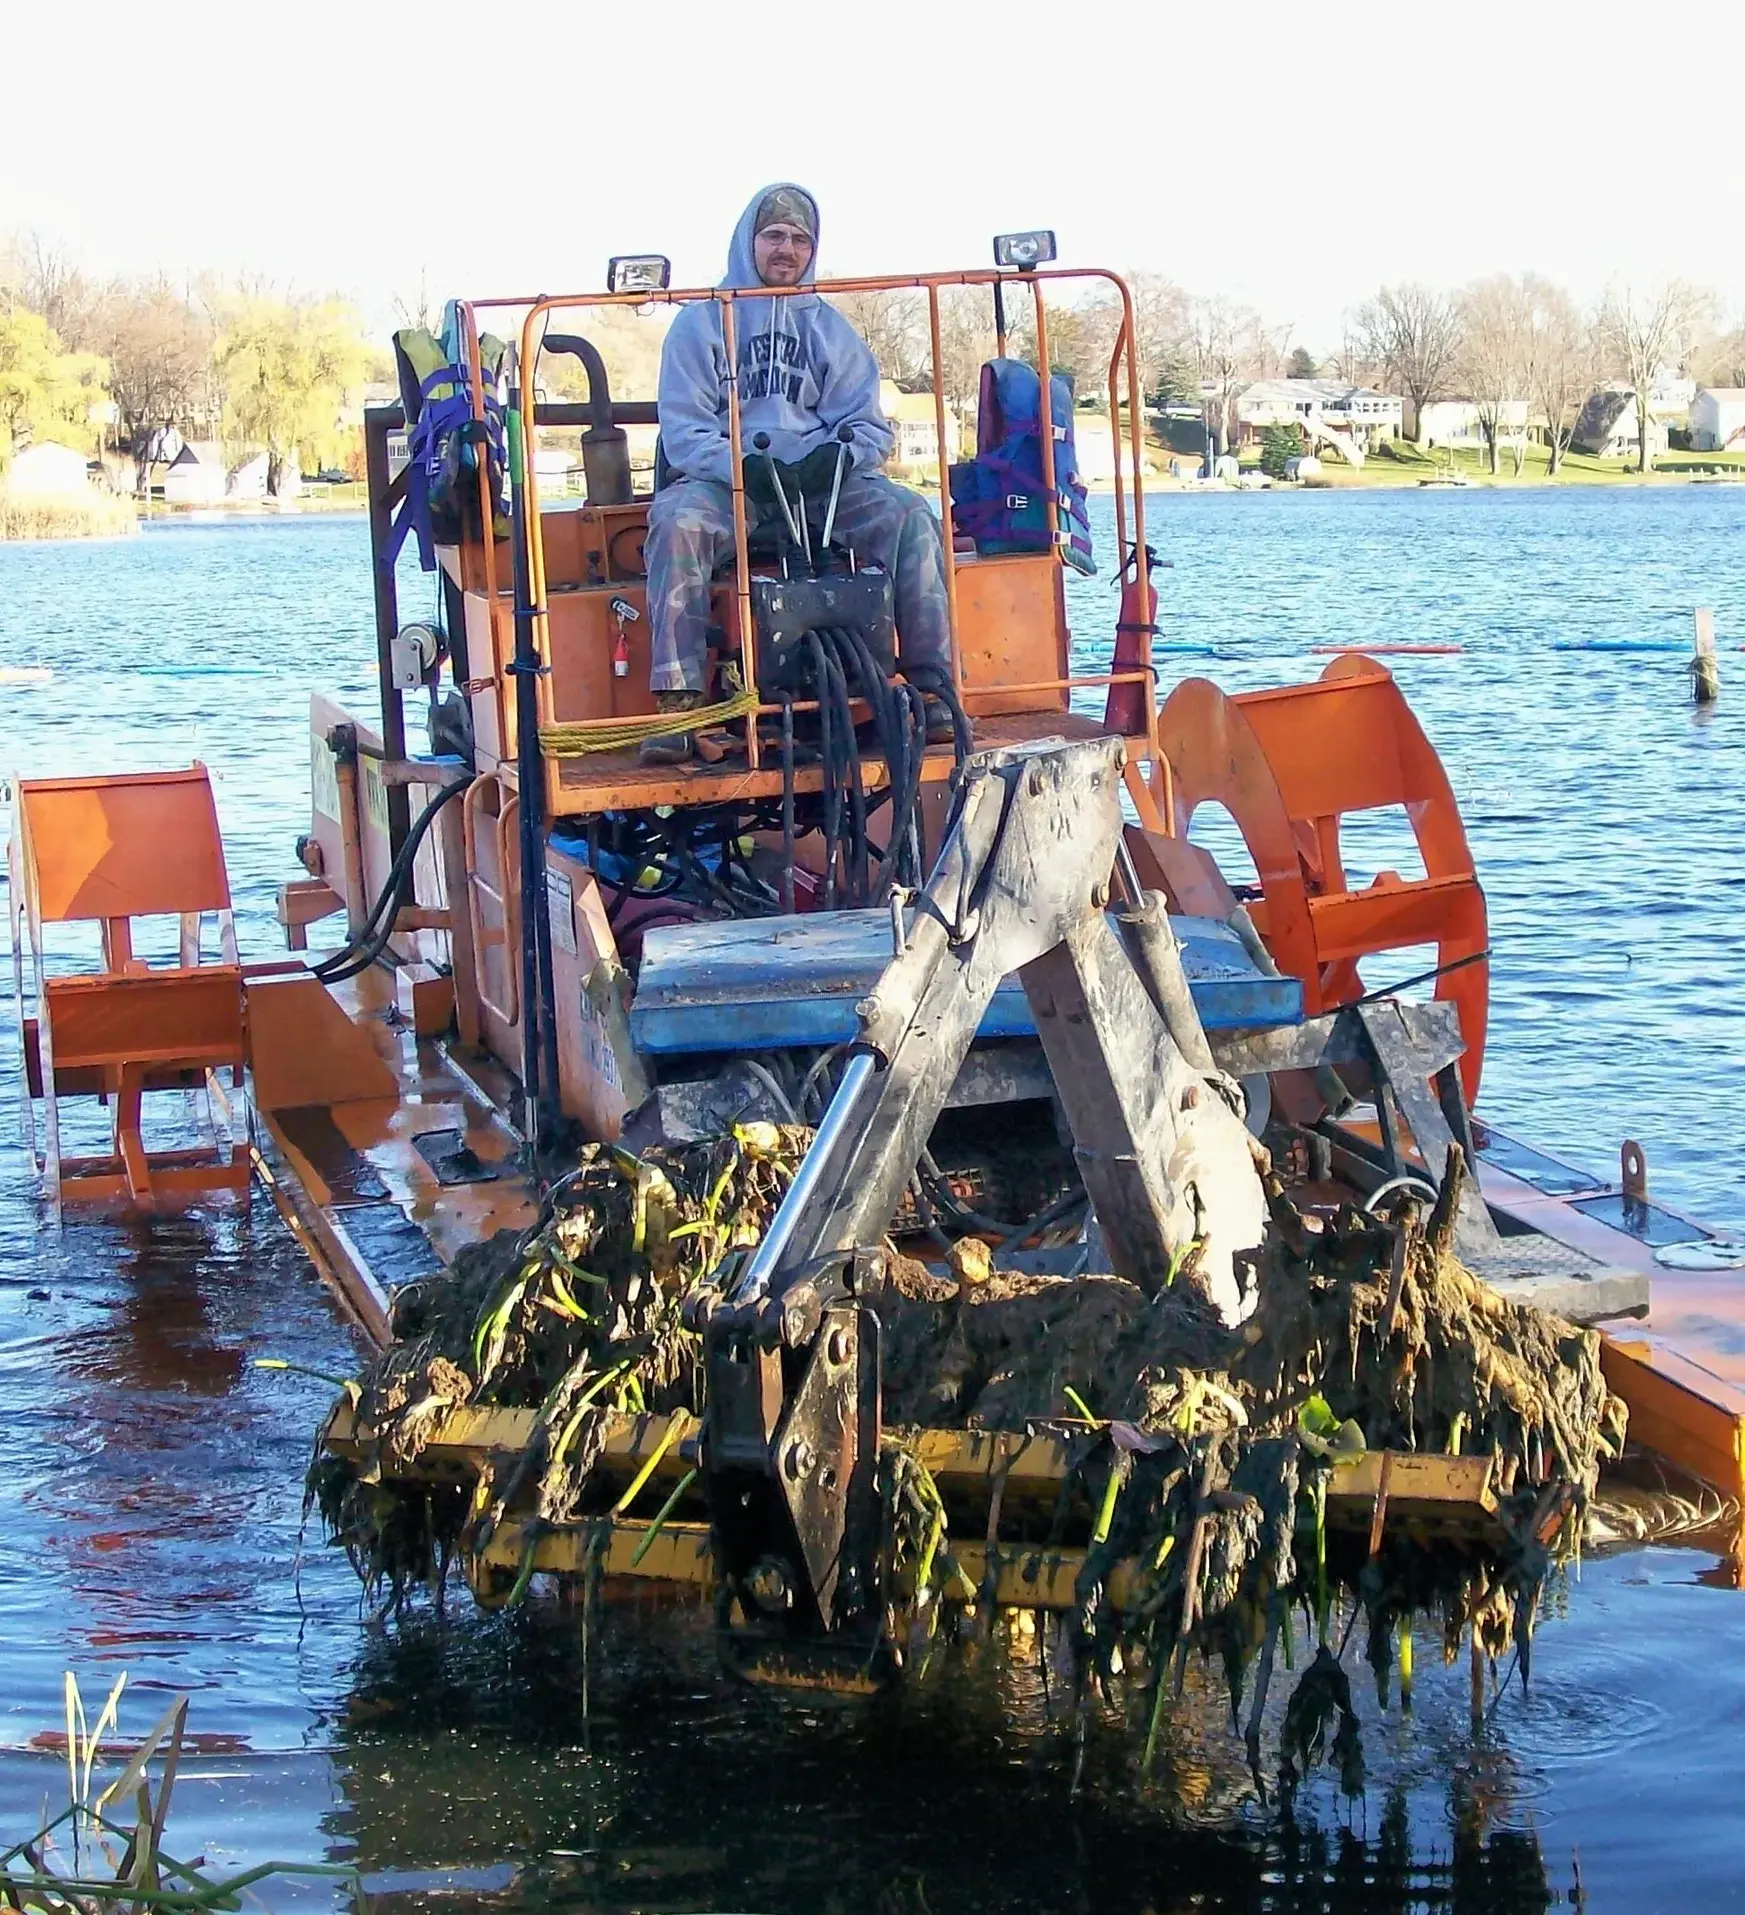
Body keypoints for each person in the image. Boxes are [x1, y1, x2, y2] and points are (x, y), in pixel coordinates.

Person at [640, 182, 956, 764]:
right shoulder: (700, 324)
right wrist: (741, 468)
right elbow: (684, 433)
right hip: (733, 487)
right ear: (748, 241)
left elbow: (870, 428)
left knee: (912, 515)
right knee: (677, 518)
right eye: (774, 236)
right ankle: (678, 703)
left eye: (800, 240)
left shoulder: (831, 329)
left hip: (823, 490)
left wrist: (837, 459)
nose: (787, 249)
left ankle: (931, 688)